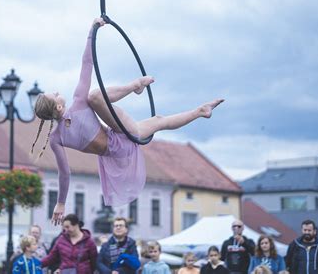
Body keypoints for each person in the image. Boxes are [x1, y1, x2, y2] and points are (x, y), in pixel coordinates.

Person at [31, 18, 224, 224]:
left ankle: (200, 111)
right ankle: (136, 85)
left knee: (159, 120)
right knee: (95, 96)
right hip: (119, 141)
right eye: (54, 94)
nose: (57, 91)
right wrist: (92, 31)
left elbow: (64, 174)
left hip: (117, 142)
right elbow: (87, 63)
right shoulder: (77, 103)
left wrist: (60, 203)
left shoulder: (56, 138)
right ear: (59, 107)